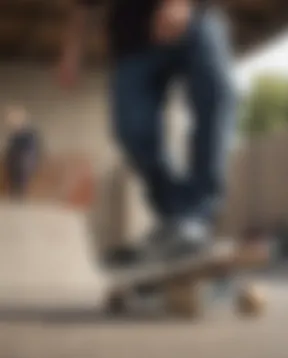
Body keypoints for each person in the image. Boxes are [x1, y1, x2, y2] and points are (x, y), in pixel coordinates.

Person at [57, 0, 236, 263]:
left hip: (195, 19)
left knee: (215, 93)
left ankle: (196, 215)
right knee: (132, 130)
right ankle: (178, 217)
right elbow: (83, 6)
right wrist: (71, 52)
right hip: (133, 39)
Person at [3, 106, 41, 198]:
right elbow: (10, 149)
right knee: (14, 181)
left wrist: (27, 160)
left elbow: (32, 150)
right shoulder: (14, 135)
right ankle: (15, 196)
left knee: (21, 180)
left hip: (24, 162)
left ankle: (20, 196)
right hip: (13, 162)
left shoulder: (29, 134)